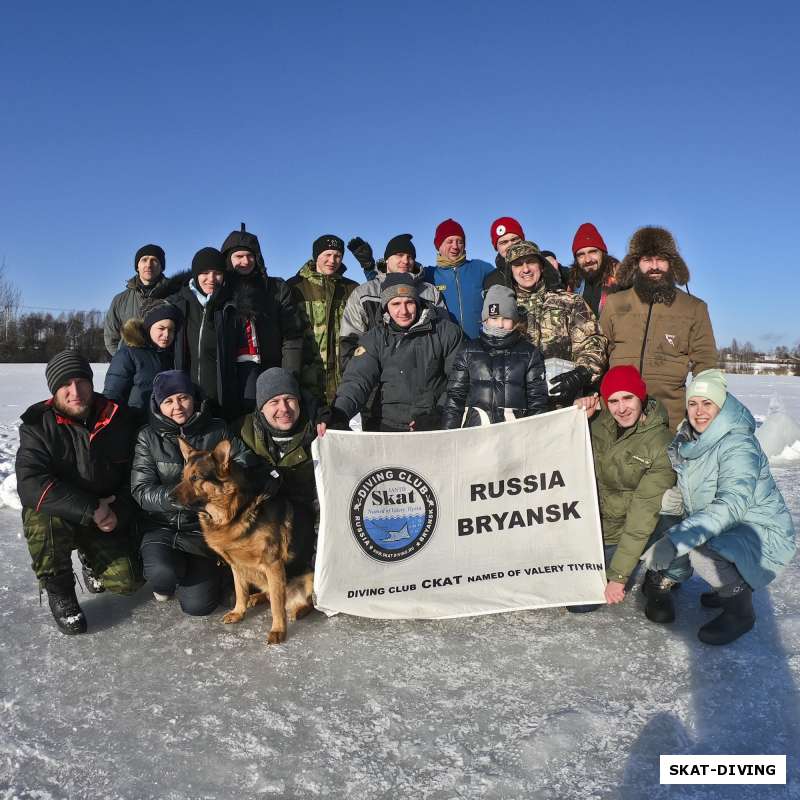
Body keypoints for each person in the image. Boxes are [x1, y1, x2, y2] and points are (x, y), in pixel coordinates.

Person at [639, 369, 795, 645]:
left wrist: (674, 542)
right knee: (676, 517)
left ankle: (740, 609)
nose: (699, 411)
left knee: (701, 548)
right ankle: (727, 584)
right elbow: (695, 486)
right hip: (731, 523)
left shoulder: (738, 444)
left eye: (707, 403)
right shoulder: (690, 439)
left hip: (760, 530)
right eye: (693, 403)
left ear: (722, 406)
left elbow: (731, 504)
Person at [15, 351, 143, 635]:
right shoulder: (38, 425)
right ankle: (59, 590)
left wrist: (118, 509)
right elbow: (29, 482)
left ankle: (90, 559)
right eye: (65, 385)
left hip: (105, 514)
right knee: (42, 516)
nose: (75, 392)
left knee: (128, 582)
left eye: (81, 382)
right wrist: (90, 508)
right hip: (64, 515)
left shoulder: (118, 418)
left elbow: (137, 475)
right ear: (54, 390)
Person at [131, 370, 267, 614]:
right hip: (162, 526)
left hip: (200, 530)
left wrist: (235, 480)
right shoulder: (147, 437)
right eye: (168, 401)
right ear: (158, 405)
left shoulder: (216, 429)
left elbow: (244, 459)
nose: (177, 407)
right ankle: (167, 577)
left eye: (183, 397)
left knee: (198, 607)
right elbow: (141, 490)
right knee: (163, 573)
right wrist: (180, 498)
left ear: (193, 398)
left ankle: (199, 575)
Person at [570, 366, 676, 612]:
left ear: (641, 397)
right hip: (589, 529)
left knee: (580, 605)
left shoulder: (661, 444)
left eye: (628, 397)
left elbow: (643, 513)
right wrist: (573, 417)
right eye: (613, 400)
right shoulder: (597, 423)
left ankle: (657, 576)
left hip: (622, 533)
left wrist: (618, 577)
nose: (621, 408)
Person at [599, 226, 717, 430]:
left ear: (672, 263)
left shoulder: (694, 308)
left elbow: (706, 366)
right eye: (647, 259)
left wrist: (704, 408)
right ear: (636, 264)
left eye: (661, 259)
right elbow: (599, 354)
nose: (654, 266)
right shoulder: (614, 303)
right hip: (617, 415)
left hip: (669, 420)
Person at [321, 274, 463, 433]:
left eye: (409, 302)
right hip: (385, 426)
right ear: (386, 306)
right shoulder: (374, 338)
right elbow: (357, 380)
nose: (403, 311)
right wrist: (340, 412)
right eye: (395, 303)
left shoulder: (447, 332)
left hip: (431, 424)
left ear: (417, 302)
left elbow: (459, 381)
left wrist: (440, 413)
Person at [232, 368, 318, 578]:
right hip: (262, 519)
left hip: (303, 516)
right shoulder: (242, 431)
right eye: (274, 402)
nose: (284, 408)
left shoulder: (317, 429)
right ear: (261, 408)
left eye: (290, 399)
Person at [505, 240, 607, 406]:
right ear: (510, 271)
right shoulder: (505, 308)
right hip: (519, 405)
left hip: (566, 401)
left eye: (531, 262)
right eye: (518, 264)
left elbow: (593, 341)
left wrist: (582, 373)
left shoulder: (570, 301)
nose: (525, 269)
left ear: (542, 266)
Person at [442, 285, 548, 427]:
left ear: (515, 321)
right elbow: (455, 398)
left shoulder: (529, 353)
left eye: (506, 318)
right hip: (476, 432)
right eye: (494, 318)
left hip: (514, 434)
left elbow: (537, 401)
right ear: (485, 320)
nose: (499, 324)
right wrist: (449, 433)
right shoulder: (468, 350)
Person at [339, 233, 444, 370]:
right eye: (399, 255)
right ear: (387, 259)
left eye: (410, 257)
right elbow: (350, 342)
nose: (405, 261)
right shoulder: (364, 294)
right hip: (377, 381)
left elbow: (444, 335)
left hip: (425, 377)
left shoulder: (430, 292)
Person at [219, 222, 305, 383]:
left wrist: (288, 377)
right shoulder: (218, 291)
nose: (246, 261)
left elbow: (292, 336)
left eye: (250, 256)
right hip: (228, 376)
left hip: (271, 372)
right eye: (239, 256)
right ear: (228, 259)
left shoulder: (276, 288)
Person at [170, 247, 245, 420]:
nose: (211, 279)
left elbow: (246, 360)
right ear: (195, 275)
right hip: (184, 403)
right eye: (204, 273)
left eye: (217, 273)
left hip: (224, 402)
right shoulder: (179, 304)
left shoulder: (233, 306)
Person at [288, 235, 358, 404]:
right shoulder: (294, 287)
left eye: (337, 256)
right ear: (316, 256)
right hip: (307, 380)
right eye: (327, 254)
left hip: (343, 381)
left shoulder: (352, 289)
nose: (332, 260)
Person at [102, 299, 182, 421]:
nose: (166, 334)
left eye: (171, 330)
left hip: (164, 429)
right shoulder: (128, 354)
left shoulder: (172, 356)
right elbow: (112, 397)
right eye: (161, 328)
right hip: (134, 427)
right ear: (148, 327)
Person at [104, 244, 187, 356]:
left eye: (154, 260)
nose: (148, 264)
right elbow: (111, 337)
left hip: (166, 365)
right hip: (133, 368)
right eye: (144, 260)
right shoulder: (120, 300)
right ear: (137, 266)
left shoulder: (177, 295)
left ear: (162, 266)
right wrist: (125, 359)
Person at [423, 218, 495, 339]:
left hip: (481, 345)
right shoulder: (428, 274)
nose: (455, 246)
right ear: (439, 246)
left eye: (459, 241)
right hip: (446, 348)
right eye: (449, 241)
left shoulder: (481, 268)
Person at [483, 217, 563, 293]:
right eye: (504, 242)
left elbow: (573, 276)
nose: (510, 245)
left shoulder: (548, 265)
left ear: (523, 240)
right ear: (496, 248)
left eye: (514, 239)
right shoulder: (491, 280)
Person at [564, 223, 620, 318]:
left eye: (593, 252)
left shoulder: (621, 280)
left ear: (603, 253)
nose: (588, 260)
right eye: (581, 255)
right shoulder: (573, 285)